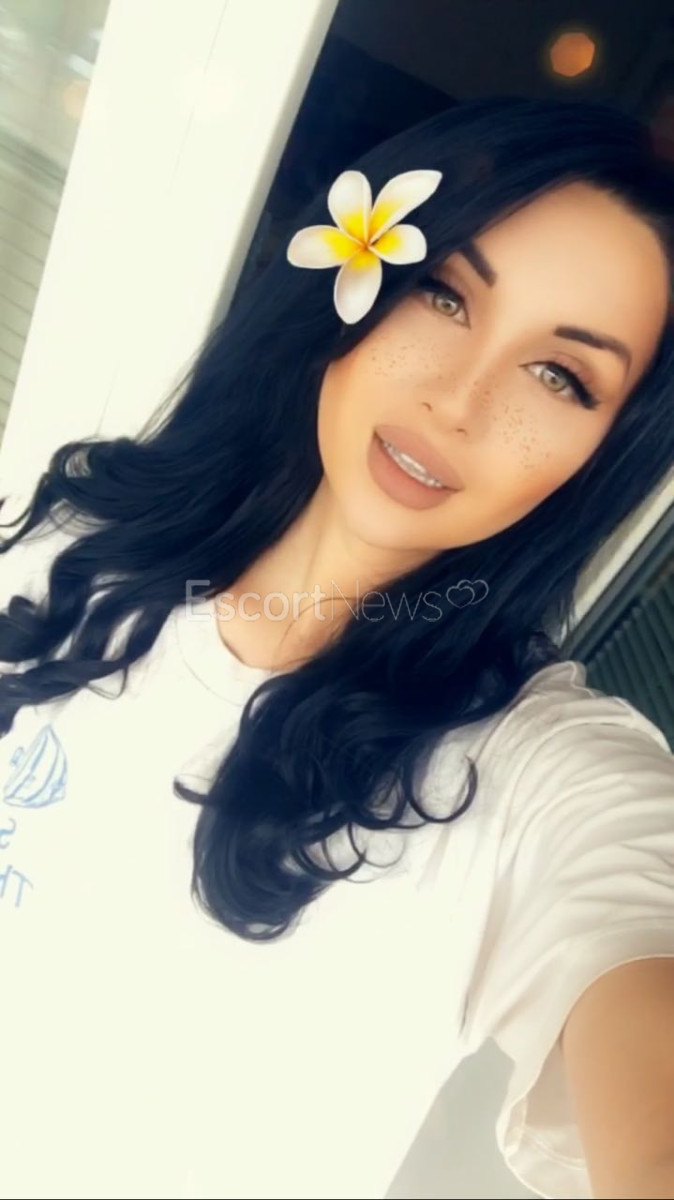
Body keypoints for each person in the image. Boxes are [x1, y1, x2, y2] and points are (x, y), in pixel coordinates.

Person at [0, 94, 673, 1200]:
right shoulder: (83, 548)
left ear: (601, 454)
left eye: (559, 376)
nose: (456, 401)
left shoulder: (535, 776)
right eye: (442, 294)